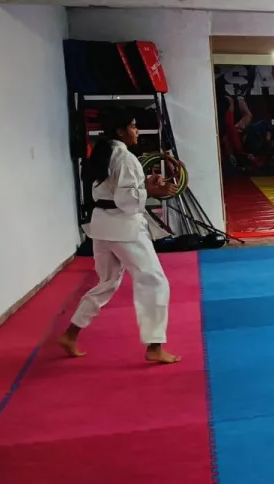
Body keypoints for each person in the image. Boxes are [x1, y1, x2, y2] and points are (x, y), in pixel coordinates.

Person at [58, 109, 181, 364]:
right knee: (154, 281)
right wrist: (151, 191)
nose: (137, 131)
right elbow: (126, 200)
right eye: (133, 126)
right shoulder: (124, 157)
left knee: (107, 282)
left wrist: (145, 184)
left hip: (102, 226)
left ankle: (71, 333)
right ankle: (155, 346)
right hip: (124, 228)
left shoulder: (105, 152)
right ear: (120, 131)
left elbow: (113, 191)